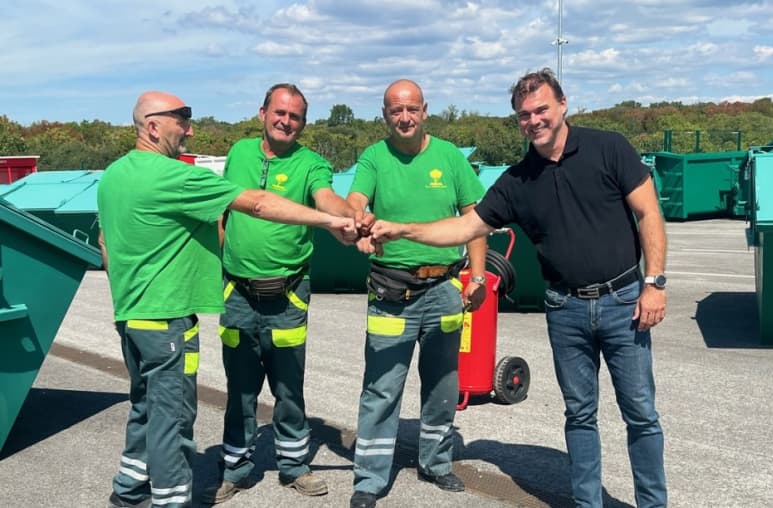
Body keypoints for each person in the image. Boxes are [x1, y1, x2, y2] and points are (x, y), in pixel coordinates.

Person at [371, 68, 668, 508]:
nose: (533, 120)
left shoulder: (609, 148)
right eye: (524, 115)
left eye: (541, 109)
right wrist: (401, 230)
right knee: (580, 415)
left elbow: (649, 213)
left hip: (624, 301)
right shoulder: (517, 181)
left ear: (562, 105)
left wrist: (654, 282)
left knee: (640, 413)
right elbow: (465, 227)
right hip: (565, 309)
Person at [97, 91, 356, 508]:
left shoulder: (113, 175)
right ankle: (172, 499)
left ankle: (128, 488)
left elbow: (105, 242)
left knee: (145, 406)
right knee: (172, 418)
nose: (190, 131)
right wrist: (330, 222)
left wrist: (124, 304)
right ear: (153, 126)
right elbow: (257, 203)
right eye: (182, 121)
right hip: (168, 321)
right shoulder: (176, 175)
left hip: (133, 317)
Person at [201, 83, 369, 505]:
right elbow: (224, 210)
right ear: (262, 113)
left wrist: (352, 216)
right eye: (279, 112)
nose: (285, 121)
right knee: (240, 388)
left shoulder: (311, 163)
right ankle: (236, 469)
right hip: (237, 293)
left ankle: (294, 465)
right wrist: (219, 266)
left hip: (288, 296)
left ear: (303, 123)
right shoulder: (239, 153)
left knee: (288, 387)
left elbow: (326, 198)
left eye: (295, 116)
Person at [345, 79, 488, 508]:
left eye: (411, 109)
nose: (404, 117)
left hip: (444, 288)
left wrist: (477, 277)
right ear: (385, 115)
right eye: (396, 110)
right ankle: (369, 479)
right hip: (391, 292)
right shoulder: (374, 157)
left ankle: (437, 463)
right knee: (382, 387)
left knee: (443, 384)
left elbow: (475, 219)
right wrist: (358, 219)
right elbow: (356, 199)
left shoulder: (450, 157)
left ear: (425, 110)